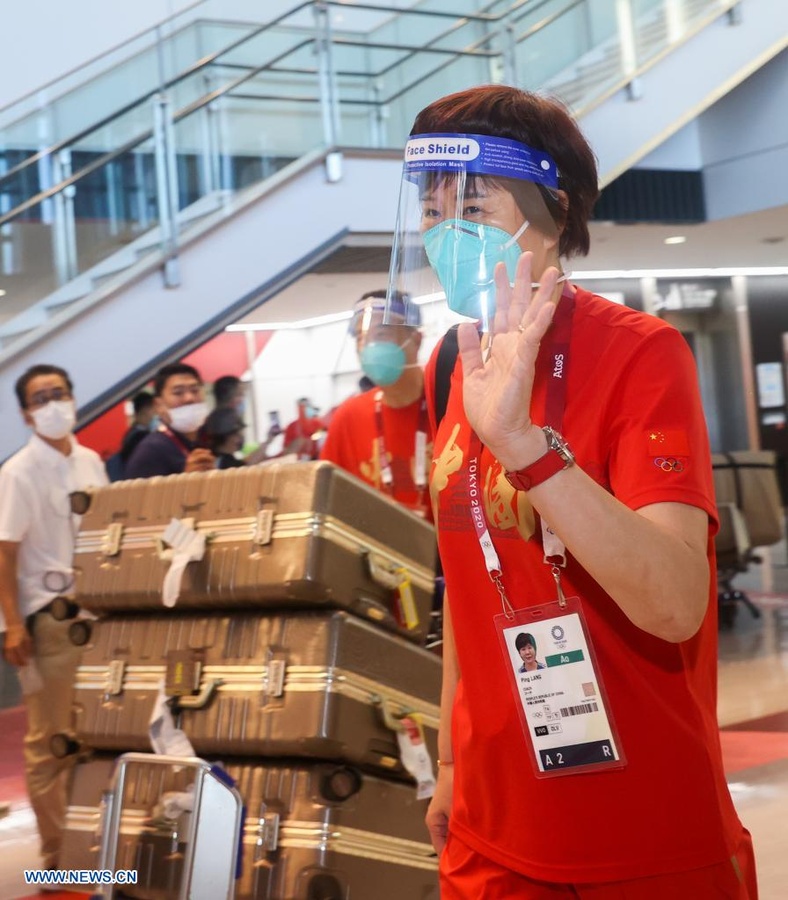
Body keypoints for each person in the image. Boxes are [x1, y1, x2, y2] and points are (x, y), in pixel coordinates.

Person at [383, 86, 757, 898]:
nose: (447, 226)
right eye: (433, 203)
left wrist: (525, 449)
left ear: (552, 209)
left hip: (638, 823)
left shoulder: (640, 355)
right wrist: (449, 763)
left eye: (473, 201)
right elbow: (469, 586)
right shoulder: (457, 360)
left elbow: (674, 603)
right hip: (490, 823)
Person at [0, 364, 108, 875]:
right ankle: (56, 856)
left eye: (58, 394)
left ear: (73, 397)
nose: (52, 405)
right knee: (49, 741)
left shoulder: (90, 461)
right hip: (48, 622)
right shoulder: (18, 471)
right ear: (25, 413)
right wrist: (11, 626)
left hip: (98, 616)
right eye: (40, 399)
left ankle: (94, 847)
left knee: (97, 733)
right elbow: (4, 554)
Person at [320, 290, 431, 518]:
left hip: (448, 551)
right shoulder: (349, 418)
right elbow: (328, 502)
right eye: (361, 338)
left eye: (381, 335)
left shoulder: (450, 403)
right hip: (377, 551)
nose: (368, 346)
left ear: (416, 340)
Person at [124, 363, 215, 478]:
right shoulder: (152, 451)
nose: (189, 398)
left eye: (195, 390)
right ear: (159, 405)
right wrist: (186, 481)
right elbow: (137, 496)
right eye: (178, 392)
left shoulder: (203, 439)